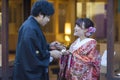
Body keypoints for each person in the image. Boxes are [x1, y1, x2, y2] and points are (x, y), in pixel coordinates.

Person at [13, 1, 62, 80]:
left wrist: (49, 46)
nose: (48, 20)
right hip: (27, 75)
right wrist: (51, 54)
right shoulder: (30, 29)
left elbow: (34, 46)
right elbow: (31, 55)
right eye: (48, 17)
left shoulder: (31, 25)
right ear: (40, 14)